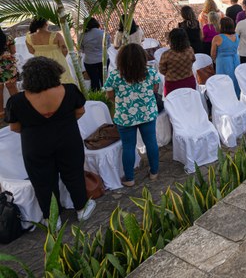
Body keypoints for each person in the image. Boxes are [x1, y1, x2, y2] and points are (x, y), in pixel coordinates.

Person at [6, 57, 95, 224]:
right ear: (55, 72)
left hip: (35, 145)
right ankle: (81, 209)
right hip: (68, 139)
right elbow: (80, 112)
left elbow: (15, 128)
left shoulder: (16, 101)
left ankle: (52, 219)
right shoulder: (69, 90)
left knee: (43, 181)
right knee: (73, 173)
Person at [104, 44, 161, 187]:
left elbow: (109, 95)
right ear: (143, 58)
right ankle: (154, 172)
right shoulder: (151, 72)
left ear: (120, 59)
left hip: (125, 116)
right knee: (151, 142)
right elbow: (155, 89)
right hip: (147, 113)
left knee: (128, 146)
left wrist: (123, 101)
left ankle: (129, 178)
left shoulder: (115, 75)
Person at [26, 18, 75, 85]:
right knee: (62, 81)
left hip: (40, 62)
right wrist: (61, 56)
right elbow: (64, 49)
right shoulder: (56, 35)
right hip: (57, 60)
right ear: (46, 24)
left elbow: (31, 51)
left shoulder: (29, 37)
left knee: (45, 83)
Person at [158, 29, 197, 96]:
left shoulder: (166, 55)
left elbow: (162, 70)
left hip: (172, 84)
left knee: (174, 104)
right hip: (189, 81)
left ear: (171, 40)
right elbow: (193, 60)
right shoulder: (190, 50)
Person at [211, 16, 240, 97]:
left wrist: (214, 60)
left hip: (223, 62)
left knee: (223, 82)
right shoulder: (236, 36)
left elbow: (213, 54)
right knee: (235, 80)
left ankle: (226, 98)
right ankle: (236, 97)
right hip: (236, 60)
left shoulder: (217, 38)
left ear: (222, 26)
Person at [79, 18, 110, 91]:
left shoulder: (82, 36)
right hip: (103, 59)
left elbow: (81, 49)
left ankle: (96, 95)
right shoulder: (104, 33)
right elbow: (108, 46)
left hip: (89, 61)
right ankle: (106, 94)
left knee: (94, 80)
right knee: (104, 79)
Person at [0, 28, 19, 117]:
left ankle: (1, 113)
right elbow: (13, 51)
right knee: (12, 87)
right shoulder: (8, 37)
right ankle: (19, 109)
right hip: (8, 66)